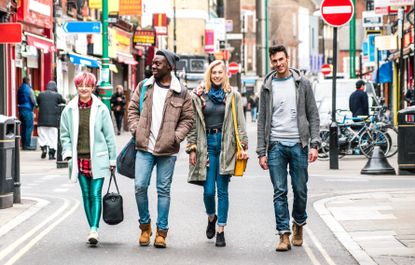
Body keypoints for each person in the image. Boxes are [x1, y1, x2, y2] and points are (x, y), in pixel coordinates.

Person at [257, 45, 320, 252]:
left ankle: (299, 223)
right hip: (275, 145)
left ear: (287, 58)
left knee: (300, 190)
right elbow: (262, 120)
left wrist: (315, 144)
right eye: (274, 61)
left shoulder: (303, 83)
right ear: (271, 62)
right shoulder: (267, 86)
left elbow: (313, 115)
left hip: (299, 144)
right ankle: (283, 234)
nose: (278, 64)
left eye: (281, 60)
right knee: (279, 191)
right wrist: (261, 152)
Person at [128, 49, 193, 248]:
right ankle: (145, 226)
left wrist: (176, 137)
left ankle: (161, 232)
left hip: (168, 149)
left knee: (163, 190)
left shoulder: (181, 92)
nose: (153, 66)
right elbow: (132, 109)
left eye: (158, 63)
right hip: (144, 146)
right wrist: (135, 130)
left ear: (170, 67)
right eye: (153, 63)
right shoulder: (144, 86)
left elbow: (188, 118)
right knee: (140, 186)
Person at [186, 60, 248, 247]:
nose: (217, 75)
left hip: (226, 145)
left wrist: (243, 146)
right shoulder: (199, 95)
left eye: (220, 72)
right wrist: (192, 147)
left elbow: (241, 122)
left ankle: (221, 230)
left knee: (222, 191)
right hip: (207, 146)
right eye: (214, 72)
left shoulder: (233, 95)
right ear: (209, 74)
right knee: (208, 192)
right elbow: (193, 124)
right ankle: (211, 217)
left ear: (225, 74)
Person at [60, 72, 116, 246]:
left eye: (87, 85)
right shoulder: (69, 110)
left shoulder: (101, 109)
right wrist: (68, 152)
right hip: (79, 159)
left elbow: (109, 136)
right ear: (76, 87)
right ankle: (92, 227)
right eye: (80, 85)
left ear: (93, 87)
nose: (83, 88)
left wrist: (112, 159)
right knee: (85, 195)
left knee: (95, 194)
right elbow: (64, 135)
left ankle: (94, 228)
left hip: (98, 158)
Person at [36, 81, 66, 159]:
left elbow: (38, 103)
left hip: (42, 120)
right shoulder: (57, 95)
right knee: (53, 137)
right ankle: (51, 154)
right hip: (53, 121)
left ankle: (44, 148)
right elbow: (64, 102)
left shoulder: (41, 95)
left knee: (43, 136)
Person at [17, 76, 36, 150]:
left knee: (23, 128)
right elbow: (33, 100)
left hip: (21, 110)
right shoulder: (29, 89)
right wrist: (35, 105)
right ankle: (27, 145)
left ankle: (23, 143)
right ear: (28, 81)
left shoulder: (20, 88)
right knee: (29, 128)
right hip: (28, 110)